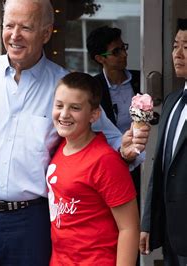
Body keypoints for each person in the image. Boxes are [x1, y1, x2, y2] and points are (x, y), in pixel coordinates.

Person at [0, 0, 150, 265]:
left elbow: (111, 141)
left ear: (46, 32)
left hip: (33, 221)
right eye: (9, 26)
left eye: (25, 27)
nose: (14, 35)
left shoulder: (64, 87)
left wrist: (126, 148)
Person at [47, 72, 139, 265]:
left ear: (94, 115)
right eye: (59, 105)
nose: (64, 114)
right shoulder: (59, 147)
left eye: (75, 108)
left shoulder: (105, 160)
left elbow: (129, 228)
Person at [86, 25, 142, 238]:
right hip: (110, 162)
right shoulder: (94, 87)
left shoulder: (140, 79)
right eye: (116, 51)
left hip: (141, 160)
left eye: (124, 48)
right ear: (100, 58)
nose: (124, 54)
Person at [140, 18, 187, 265]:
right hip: (170, 233)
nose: (177, 54)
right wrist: (149, 223)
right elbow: (160, 169)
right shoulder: (172, 101)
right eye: (175, 45)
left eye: (186, 47)